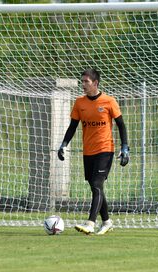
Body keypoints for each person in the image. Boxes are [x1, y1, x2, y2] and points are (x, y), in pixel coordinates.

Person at [57, 68, 129, 235]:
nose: (83, 85)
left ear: (95, 83)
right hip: (88, 152)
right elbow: (73, 126)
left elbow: (121, 125)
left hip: (105, 150)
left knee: (97, 184)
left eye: (86, 82)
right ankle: (107, 221)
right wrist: (64, 144)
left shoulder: (109, 101)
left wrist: (125, 147)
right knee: (95, 187)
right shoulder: (79, 103)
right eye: (82, 81)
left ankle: (90, 222)